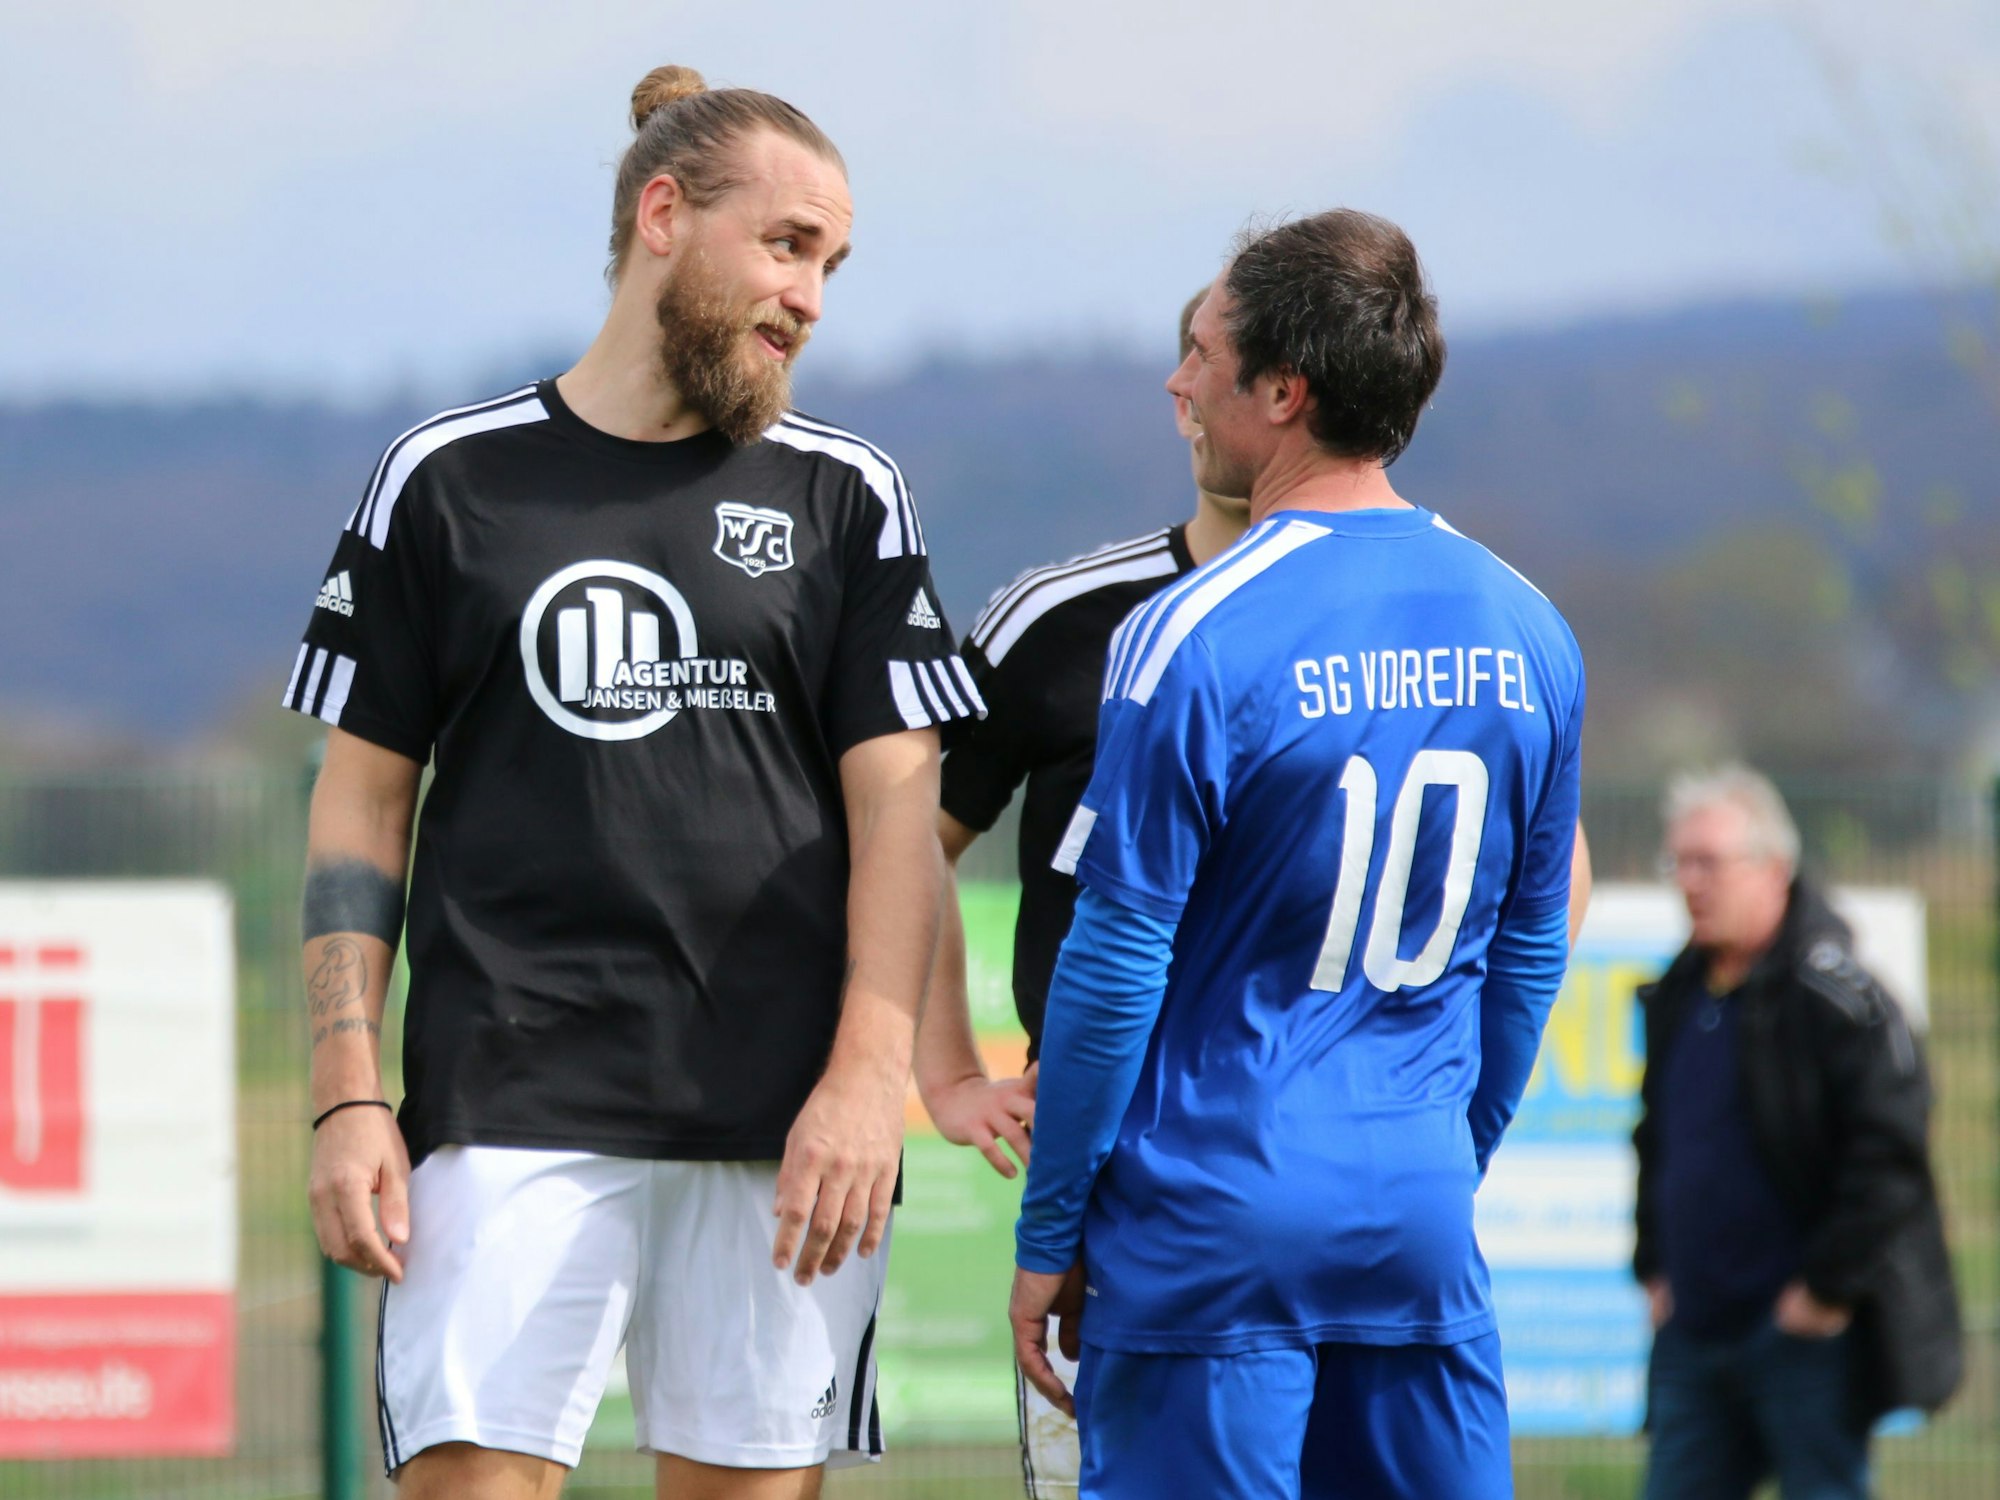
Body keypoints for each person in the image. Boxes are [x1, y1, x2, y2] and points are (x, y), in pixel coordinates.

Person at [286, 65, 981, 1500]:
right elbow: (359, 805)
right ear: (664, 213)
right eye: (788, 245)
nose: (812, 297)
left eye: (833, 264)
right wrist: (346, 1093)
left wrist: (868, 1081)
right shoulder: (443, 478)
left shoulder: (846, 491)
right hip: (505, 1105)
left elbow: (901, 812)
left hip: (783, 1132)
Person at [1007, 210, 1585, 1500]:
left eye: (1205, 358)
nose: (1179, 382)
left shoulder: (1189, 628)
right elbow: (1529, 949)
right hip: (1417, 1214)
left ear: (1282, 390)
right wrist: (1446, 1155)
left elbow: (1111, 966)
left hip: (1211, 1218)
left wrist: (1051, 1231)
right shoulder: (1528, 624)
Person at [914, 290, 1252, 1497]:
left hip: (1309, 1180)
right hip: (1107, 1195)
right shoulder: (1058, 618)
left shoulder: (1407, 610)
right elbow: (900, 842)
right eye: (1183, 358)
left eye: (1208, 360)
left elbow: (1549, 866)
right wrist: (943, 1069)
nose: (1179, 385)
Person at [1634, 766, 1961, 1500]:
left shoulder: (1837, 998)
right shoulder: (1678, 993)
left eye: (1708, 862)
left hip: (1802, 1337)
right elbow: (1655, 1139)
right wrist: (1653, 1264)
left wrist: (1823, 1291)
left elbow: (1891, 1157)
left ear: (1772, 868)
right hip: (1695, 1331)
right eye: (1678, 863)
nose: (1689, 882)